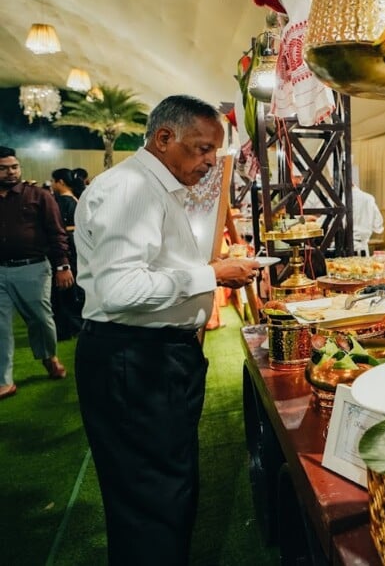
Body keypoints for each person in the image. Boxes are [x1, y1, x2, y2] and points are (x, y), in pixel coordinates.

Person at [74, 95, 260, 564]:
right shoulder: (132, 189)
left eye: (214, 154)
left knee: (163, 489)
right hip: (135, 362)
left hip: (150, 356)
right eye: (201, 150)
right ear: (163, 138)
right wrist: (212, 275)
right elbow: (120, 288)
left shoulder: (153, 187)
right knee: (151, 497)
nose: (209, 164)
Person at [0, 147, 72, 400]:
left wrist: (62, 266)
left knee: (41, 320)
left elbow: (57, 232)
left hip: (33, 268)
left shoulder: (37, 195)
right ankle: (4, 380)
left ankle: (48, 357)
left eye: (14, 167)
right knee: (0, 327)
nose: (11, 172)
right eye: (4, 168)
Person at [50, 168, 86, 340]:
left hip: (69, 249)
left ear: (60, 182)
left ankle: (70, 327)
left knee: (67, 290)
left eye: (53, 181)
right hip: (75, 248)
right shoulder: (76, 199)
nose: (52, 185)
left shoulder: (64, 201)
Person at [350, 179, 384, 256]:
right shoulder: (369, 198)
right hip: (363, 247)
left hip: (344, 247)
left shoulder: (339, 199)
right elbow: (378, 226)